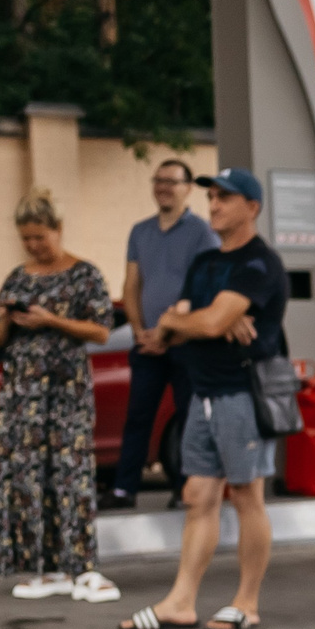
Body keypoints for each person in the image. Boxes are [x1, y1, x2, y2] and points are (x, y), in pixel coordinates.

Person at [118, 169, 288, 629]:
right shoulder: (206, 263)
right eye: (211, 197)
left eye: (225, 199)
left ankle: (246, 603)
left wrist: (197, 320)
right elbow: (176, 321)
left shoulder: (260, 264)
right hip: (203, 392)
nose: (214, 205)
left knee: (247, 497)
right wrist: (192, 320)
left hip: (242, 394)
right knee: (198, 498)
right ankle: (180, 602)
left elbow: (205, 322)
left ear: (251, 208)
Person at [0, 190, 122, 605]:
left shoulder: (84, 275)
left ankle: (83, 565)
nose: (32, 246)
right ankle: (43, 566)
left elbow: (102, 330)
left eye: (39, 237)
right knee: (28, 475)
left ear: (58, 229)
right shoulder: (16, 278)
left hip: (66, 390)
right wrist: (5, 317)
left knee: (71, 473)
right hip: (21, 390)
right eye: (25, 238)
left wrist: (52, 320)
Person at [109, 160, 218, 510]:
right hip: (147, 344)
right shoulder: (139, 232)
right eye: (159, 181)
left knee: (189, 418)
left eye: (172, 182)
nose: (164, 187)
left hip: (186, 343)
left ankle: (184, 488)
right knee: (138, 416)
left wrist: (169, 333)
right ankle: (124, 489)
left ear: (188, 188)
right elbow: (131, 284)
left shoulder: (202, 232)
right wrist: (140, 331)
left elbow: (204, 289)